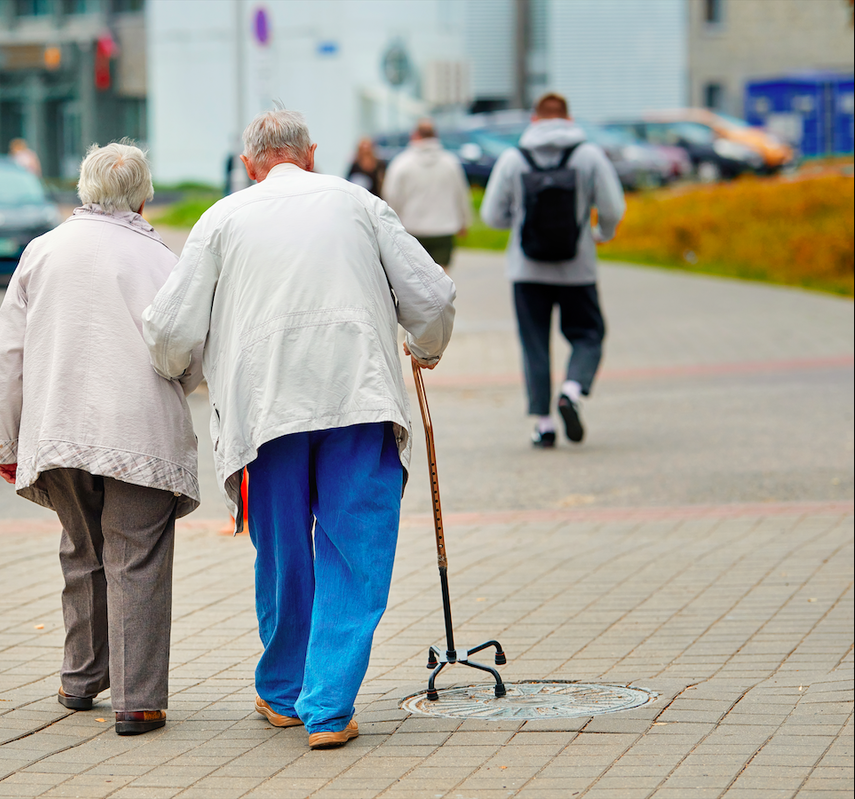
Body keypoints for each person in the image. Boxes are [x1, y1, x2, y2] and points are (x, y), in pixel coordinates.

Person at [142, 109, 456, 751]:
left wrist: (178, 370)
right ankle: (328, 707)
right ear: (310, 154)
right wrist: (425, 348)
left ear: (248, 164)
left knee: (283, 549)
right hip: (357, 396)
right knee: (354, 550)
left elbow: (171, 328)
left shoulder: (224, 217)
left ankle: (284, 692)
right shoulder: (359, 204)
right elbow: (432, 296)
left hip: (266, 410)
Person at [0, 141, 201, 737]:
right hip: (139, 429)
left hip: (56, 429)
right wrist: (184, 380)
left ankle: (80, 679)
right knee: (137, 557)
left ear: (83, 189)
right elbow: (187, 348)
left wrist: (5, 442)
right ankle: (138, 701)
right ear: (143, 193)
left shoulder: (42, 252)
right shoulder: (161, 259)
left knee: (81, 550)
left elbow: (6, 352)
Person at [479, 92, 625, 448]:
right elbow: (613, 207)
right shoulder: (588, 155)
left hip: (527, 270)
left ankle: (544, 425)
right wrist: (600, 234)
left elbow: (491, 215)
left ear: (534, 120)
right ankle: (572, 392)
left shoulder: (514, 158)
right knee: (588, 335)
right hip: (578, 267)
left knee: (534, 344)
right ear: (569, 120)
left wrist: (521, 224)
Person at [382, 118, 474, 268]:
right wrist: (464, 221)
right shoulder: (450, 162)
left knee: (415, 276)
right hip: (444, 229)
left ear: (415, 135)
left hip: (411, 229)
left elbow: (392, 196)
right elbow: (461, 194)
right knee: (442, 277)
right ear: (435, 135)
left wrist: (391, 223)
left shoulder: (401, 163)